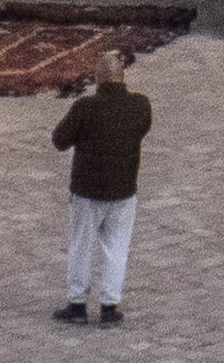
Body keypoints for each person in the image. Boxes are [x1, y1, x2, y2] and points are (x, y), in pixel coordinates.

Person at [49, 52, 152, 325]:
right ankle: (109, 307)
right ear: (122, 76)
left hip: (87, 191)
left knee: (81, 246)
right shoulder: (141, 106)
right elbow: (142, 130)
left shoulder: (85, 108)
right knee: (117, 248)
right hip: (123, 189)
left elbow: (59, 140)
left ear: (97, 79)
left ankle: (77, 304)